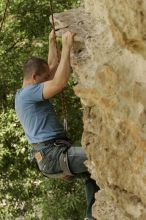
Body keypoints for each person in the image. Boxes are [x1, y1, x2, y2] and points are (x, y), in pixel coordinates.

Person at [15, 30, 99, 220]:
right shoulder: (28, 94)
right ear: (35, 78)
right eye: (45, 78)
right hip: (52, 155)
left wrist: (51, 42)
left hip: (48, 156)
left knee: (91, 173)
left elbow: (52, 67)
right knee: (100, 158)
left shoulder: (25, 92)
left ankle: (90, 217)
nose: (48, 80)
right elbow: (59, 82)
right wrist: (67, 47)